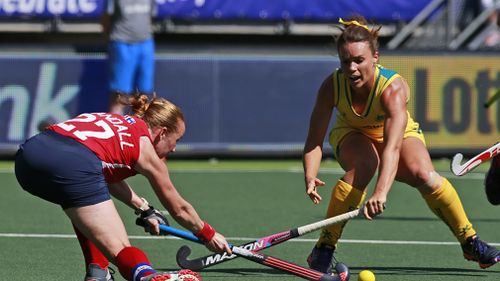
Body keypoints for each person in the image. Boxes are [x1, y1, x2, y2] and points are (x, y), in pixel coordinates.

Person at [302, 16, 500, 274]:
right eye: (346, 61)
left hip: (395, 134)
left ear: (375, 57)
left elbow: (392, 148)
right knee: (363, 165)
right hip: (352, 132)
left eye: (359, 60)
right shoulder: (332, 86)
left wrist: (381, 191)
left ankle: (469, 241)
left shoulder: (392, 89)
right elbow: (314, 141)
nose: (351, 69)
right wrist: (310, 175)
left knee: (425, 175)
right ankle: (324, 247)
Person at [15, 93, 232, 281]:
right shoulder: (145, 149)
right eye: (178, 139)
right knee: (120, 249)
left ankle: (97, 273)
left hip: (28, 158)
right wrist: (207, 234)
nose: (174, 149)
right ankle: (148, 276)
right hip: (75, 164)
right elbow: (179, 209)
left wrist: (144, 208)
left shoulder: (115, 121)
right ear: (163, 132)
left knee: (81, 206)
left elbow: (103, 173)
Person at [101, 0, 156, 114]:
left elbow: (151, 15)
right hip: (122, 44)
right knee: (120, 96)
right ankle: (116, 128)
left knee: (145, 95)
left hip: (145, 43)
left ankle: (142, 129)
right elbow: (106, 18)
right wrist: (108, 38)